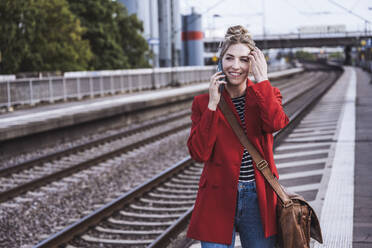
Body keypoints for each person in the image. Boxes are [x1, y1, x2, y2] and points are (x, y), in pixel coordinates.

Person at [186, 25, 289, 247]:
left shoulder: (266, 95)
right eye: (229, 58)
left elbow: (275, 123)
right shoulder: (203, 103)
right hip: (216, 197)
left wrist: (263, 80)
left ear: (252, 63)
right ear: (220, 61)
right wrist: (213, 106)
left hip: (258, 197)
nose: (235, 66)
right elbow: (198, 153)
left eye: (244, 60)